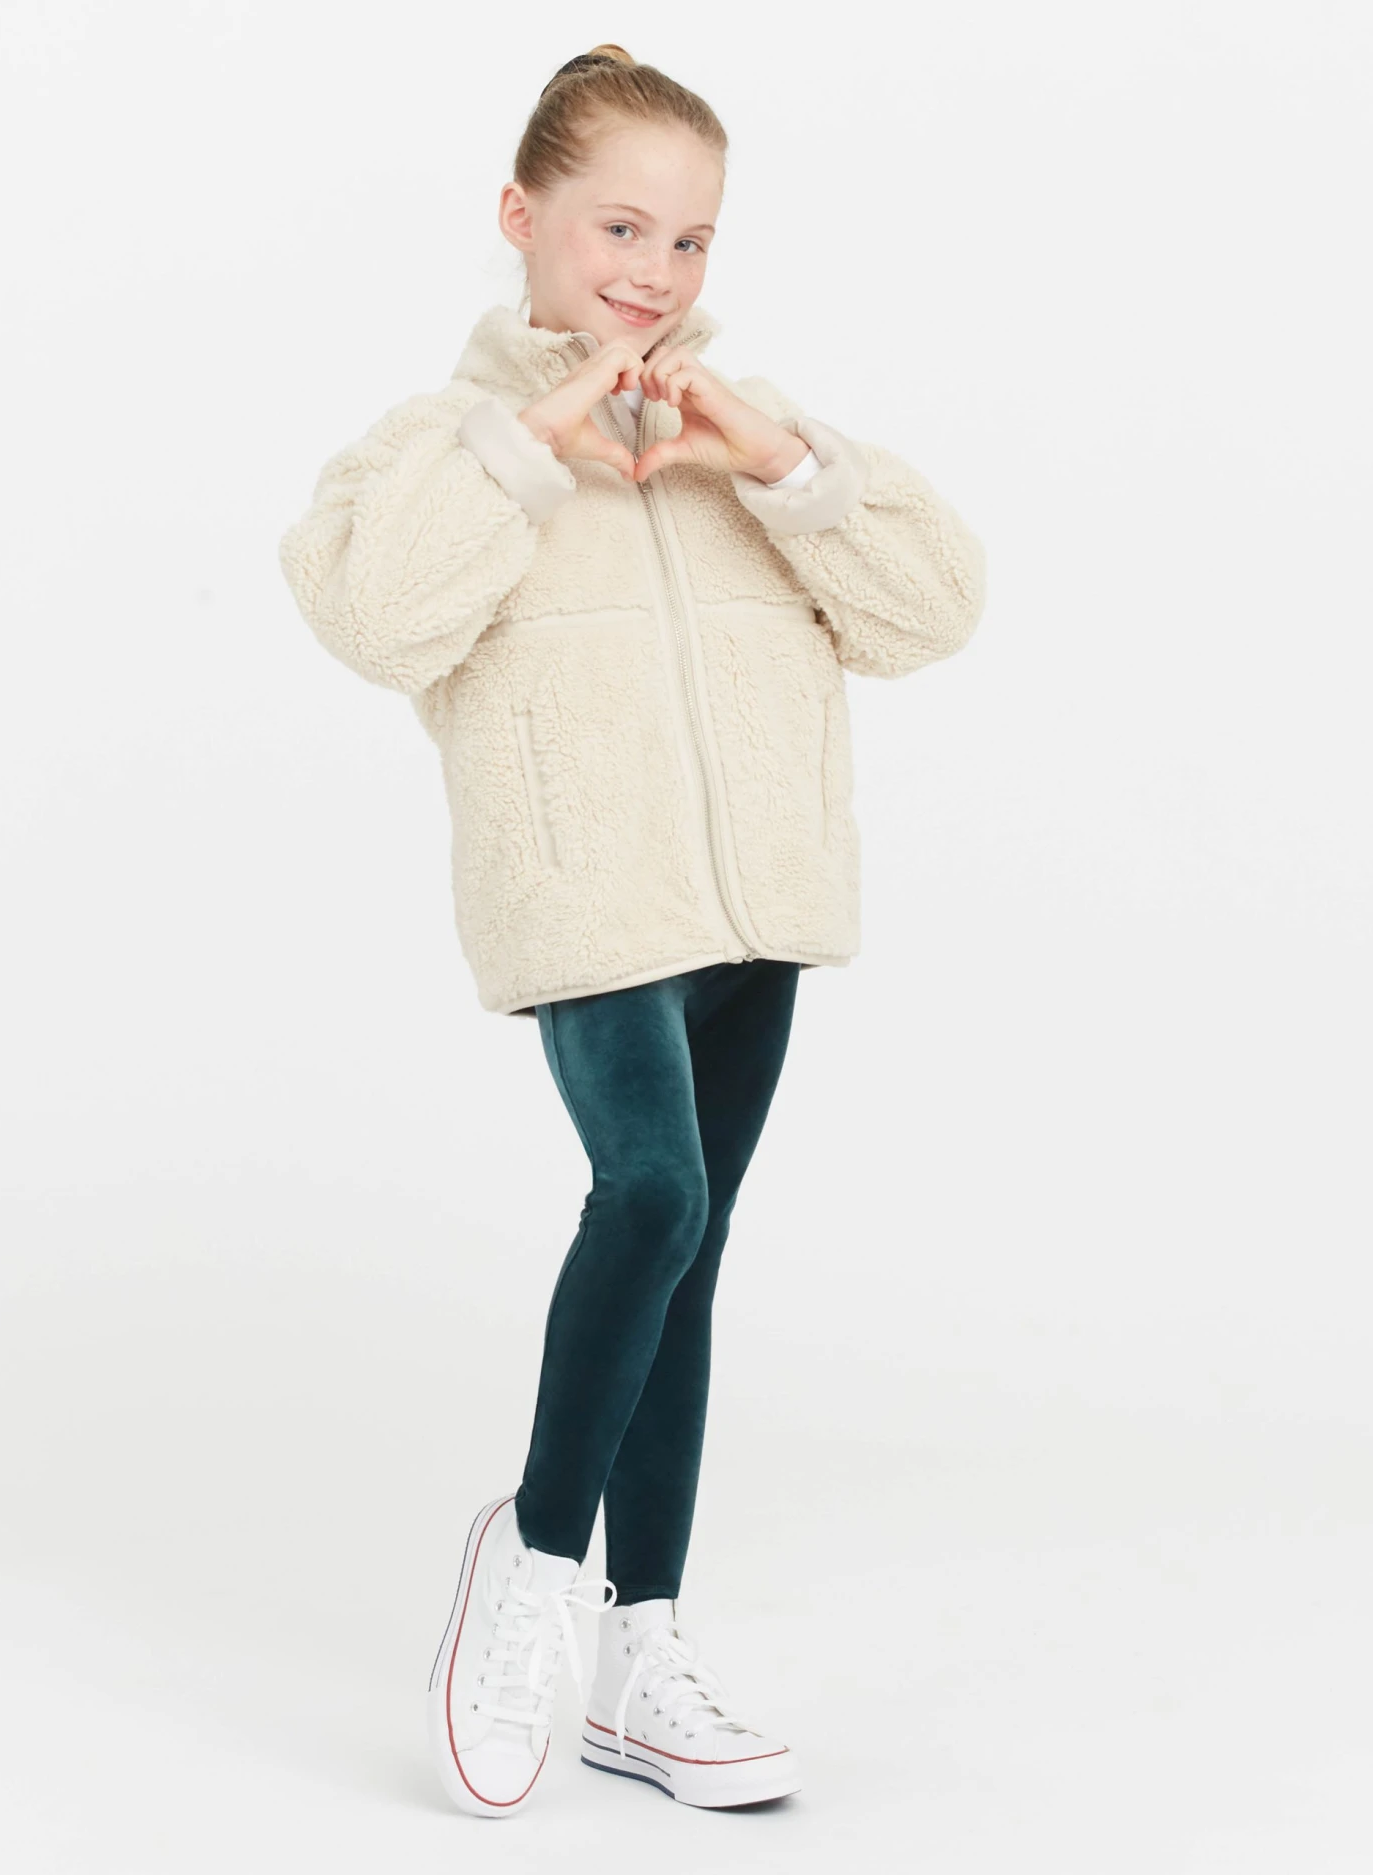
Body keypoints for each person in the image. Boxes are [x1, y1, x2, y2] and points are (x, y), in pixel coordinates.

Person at [278, 45, 986, 1820]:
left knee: (694, 1249)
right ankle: (531, 1561)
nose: (655, 272)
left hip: (757, 908)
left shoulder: (739, 430)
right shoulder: (431, 449)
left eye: (689, 239)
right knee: (651, 1194)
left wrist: (781, 459)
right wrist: (527, 449)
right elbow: (376, 617)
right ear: (521, 216)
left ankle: (640, 1652)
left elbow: (930, 612)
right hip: (587, 894)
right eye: (618, 226)